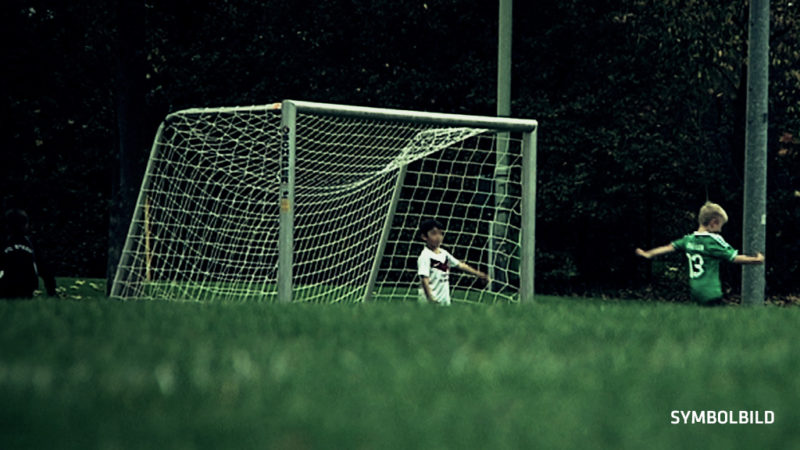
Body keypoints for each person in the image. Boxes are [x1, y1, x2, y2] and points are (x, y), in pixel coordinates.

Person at [635, 202, 764, 306]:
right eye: (721, 226)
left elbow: (668, 247)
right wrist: (755, 260)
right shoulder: (713, 241)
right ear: (713, 223)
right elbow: (734, 258)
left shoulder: (688, 240)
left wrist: (649, 254)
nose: (720, 230)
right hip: (711, 292)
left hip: (695, 290)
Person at [417, 219, 489, 305]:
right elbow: (424, 279)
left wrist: (480, 274)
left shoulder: (444, 253)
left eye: (441, 233)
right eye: (434, 233)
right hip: (429, 303)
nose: (438, 237)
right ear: (424, 237)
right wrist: (430, 298)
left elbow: (460, 265)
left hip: (444, 300)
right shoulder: (425, 256)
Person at [0, 209, 56, 299]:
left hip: (6, 286)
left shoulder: (4, 243)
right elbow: (44, 268)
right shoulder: (31, 244)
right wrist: (51, 290)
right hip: (27, 287)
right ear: (26, 225)